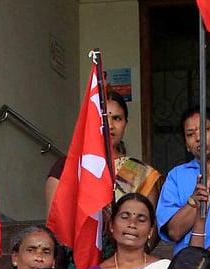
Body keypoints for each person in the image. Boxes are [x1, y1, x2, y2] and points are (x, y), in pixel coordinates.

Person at [45, 86, 161, 217]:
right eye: (102, 118)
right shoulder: (66, 167)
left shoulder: (142, 175)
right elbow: (56, 221)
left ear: (125, 123)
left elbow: (149, 230)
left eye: (117, 118)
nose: (110, 125)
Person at [156, 106, 210, 251]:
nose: (198, 138)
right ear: (187, 145)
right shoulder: (177, 176)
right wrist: (196, 196)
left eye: (205, 130)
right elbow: (174, 232)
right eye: (190, 134)